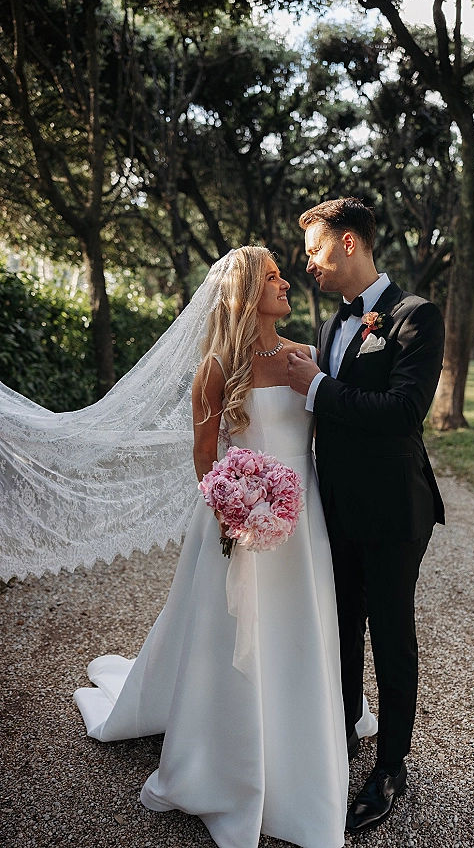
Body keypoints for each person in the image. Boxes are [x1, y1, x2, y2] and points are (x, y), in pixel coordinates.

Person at [72, 246, 377, 848]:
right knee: (229, 636)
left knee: (297, 628)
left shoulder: (305, 358)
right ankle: (225, 754)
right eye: (271, 278)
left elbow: (332, 435)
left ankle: (300, 737)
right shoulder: (215, 369)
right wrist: (237, 505)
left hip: (302, 519)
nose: (286, 282)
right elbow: (204, 458)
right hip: (238, 524)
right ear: (244, 294)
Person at [287, 199, 445, 835]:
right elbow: (321, 404)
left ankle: (389, 769)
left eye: (316, 251)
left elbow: (402, 411)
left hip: (393, 508)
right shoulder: (331, 326)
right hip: (336, 507)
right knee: (341, 628)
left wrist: (318, 387)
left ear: (349, 243)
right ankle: (343, 740)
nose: (311, 265)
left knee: (390, 636)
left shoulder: (416, 317)